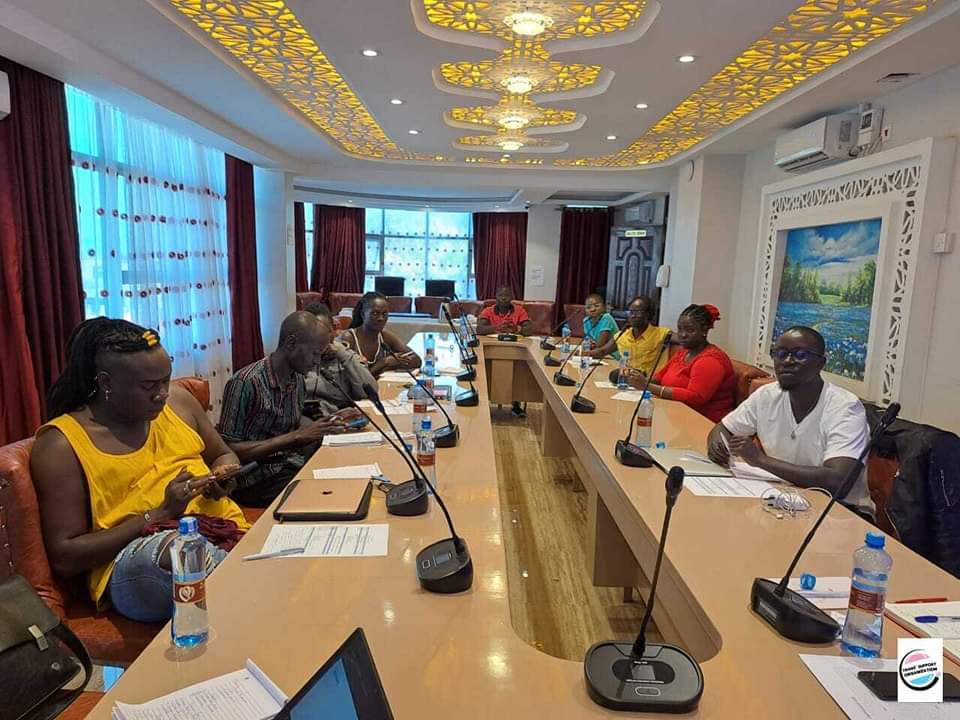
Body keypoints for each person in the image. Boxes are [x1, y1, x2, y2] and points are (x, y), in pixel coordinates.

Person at [31, 318, 251, 623]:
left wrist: (222, 475)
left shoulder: (179, 402)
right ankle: (254, 588)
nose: (161, 393)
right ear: (106, 382)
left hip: (222, 529)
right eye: (148, 386)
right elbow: (66, 557)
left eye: (165, 380)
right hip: (138, 558)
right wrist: (160, 514)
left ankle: (251, 585)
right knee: (182, 555)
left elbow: (224, 454)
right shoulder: (62, 444)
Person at [707, 326, 875, 518]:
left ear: (821, 363)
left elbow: (838, 481)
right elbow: (723, 428)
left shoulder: (845, 407)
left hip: (839, 512)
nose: (787, 361)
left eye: (800, 354)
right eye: (780, 354)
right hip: (783, 498)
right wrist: (717, 446)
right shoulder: (767, 395)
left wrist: (760, 460)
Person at [218, 311, 356, 507]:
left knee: (344, 482)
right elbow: (227, 450)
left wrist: (329, 420)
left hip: (288, 466)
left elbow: (291, 430)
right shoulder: (245, 383)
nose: (317, 362)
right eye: (314, 354)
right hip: (254, 481)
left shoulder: (297, 379)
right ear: (291, 344)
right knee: (327, 501)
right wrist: (297, 437)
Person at [627, 303, 735, 423]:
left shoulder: (710, 360)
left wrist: (647, 386)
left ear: (704, 330)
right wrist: (638, 379)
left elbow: (696, 397)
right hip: (676, 414)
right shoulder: (684, 352)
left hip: (704, 423)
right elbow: (660, 376)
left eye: (690, 330)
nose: (682, 335)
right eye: (680, 329)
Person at [303, 303, 376, 417]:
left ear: (334, 330)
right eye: (316, 332)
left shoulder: (347, 356)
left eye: (327, 331)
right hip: (309, 421)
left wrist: (343, 354)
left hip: (342, 421)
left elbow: (371, 393)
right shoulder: (298, 359)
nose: (322, 336)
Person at [477, 286, 532, 417]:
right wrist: (497, 328)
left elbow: (529, 330)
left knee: (519, 368)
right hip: (491, 347)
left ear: (511, 298)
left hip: (515, 348)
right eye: (500, 296)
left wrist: (517, 329)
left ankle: (516, 402)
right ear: (496, 297)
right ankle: (485, 399)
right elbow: (479, 329)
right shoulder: (488, 310)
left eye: (506, 296)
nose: (503, 298)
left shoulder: (519, 310)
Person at [339, 291, 422, 378]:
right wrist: (384, 363)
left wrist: (392, 363)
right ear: (363, 314)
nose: (381, 318)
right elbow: (352, 378)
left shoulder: (384, 336)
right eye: (375, 313)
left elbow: (416, 360)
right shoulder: (349, 338)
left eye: (385, 314)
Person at [607, 296, 671, 382]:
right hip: (628, 382)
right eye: (631, 312)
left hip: (650, 384)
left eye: (637, 312)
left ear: (648, 314)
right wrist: (585, 353)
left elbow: (683, 338)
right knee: (613, 376)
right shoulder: (623, 334)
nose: (632, 316)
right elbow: (603, 351)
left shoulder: (661, 333)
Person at [581, 293, 621, 359]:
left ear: (603, 307)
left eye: (596, 306)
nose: (592, 309)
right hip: (596, 354)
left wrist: (590, 347)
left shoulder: (606, 318)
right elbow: (588, 342)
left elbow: (600, 344)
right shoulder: (586, 321)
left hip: (611, 356)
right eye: (588, 307)